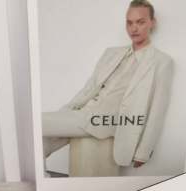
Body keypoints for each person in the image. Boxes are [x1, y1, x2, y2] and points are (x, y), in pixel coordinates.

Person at [42, 0, 174, 177]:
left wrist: (143, 152)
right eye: (129, 23)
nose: (134, 28)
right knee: (39, 142)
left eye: (140, 22)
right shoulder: (111, 52)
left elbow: (158, 110)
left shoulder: (161, 62)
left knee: (37, 123)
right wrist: (65, 111)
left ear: (152, 22)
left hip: (106, 121)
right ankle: (41, 176)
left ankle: (41, 177)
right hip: (84, 114)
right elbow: (89, 87)